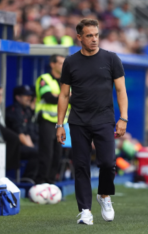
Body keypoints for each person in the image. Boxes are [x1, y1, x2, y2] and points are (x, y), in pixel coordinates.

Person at [56, 19, 128, 225]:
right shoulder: (70, 62)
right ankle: (85, 210)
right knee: (81, 165)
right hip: (78, 121)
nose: (94, 39)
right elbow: (63, 95)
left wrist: (123, 117)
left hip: (104, 119)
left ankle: (104, 195)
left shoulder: (112, 59)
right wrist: (59, 125)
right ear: (79, 37)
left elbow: (121, 90)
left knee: (107, 163)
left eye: (96, 35)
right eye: (89, 35)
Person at [34, 54, 66, 184]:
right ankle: (41, 183)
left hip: (61, 123)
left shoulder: (67, 81)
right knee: (47, 154)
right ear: (52, 64)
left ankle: (51, 183)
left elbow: (76, 98)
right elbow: (49, 97)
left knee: (57, 155)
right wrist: (65, 96)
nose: (63, 66)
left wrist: (61, 96)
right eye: (60, 63)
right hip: (46, 120)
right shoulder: (44, 78)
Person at [6, 85, 39, 182]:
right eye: (26, 96)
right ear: (17, 97)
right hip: (14, 147)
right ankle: (27, 181)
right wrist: (33, 147)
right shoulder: (14, 110)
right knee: (37, 152)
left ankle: (38, 180)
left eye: (30, 96)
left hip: (25, 144)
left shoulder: (27, 110)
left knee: (45, 150)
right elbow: (20, 135)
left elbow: (29, 133)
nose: (29, 98)